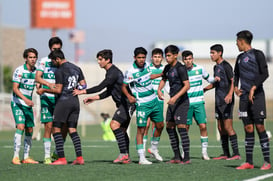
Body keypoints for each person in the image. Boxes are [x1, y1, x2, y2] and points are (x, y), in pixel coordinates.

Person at [73, 49, 135, 164]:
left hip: (127, 103)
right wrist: (94, 98)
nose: (98, 62)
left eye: (101, 59)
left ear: (108, 60)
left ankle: (123, 155)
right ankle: (126, 156)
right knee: (121, 130)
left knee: (114, 124)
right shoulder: (111, 72)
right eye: (98, 59)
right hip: (125, 104)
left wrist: (82, 92)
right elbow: (108, 92)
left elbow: (100, 87)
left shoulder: (113, 72)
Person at [37, 49, 86, 165]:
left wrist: (44, 89)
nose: (53, 64)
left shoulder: (59, 70)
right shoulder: (76, 68)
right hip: (75, 102)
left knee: (56, 128)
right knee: (72, 129)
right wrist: (76, 90)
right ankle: (79, 158)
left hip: (64, 101)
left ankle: (62, 159)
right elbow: (84, 84)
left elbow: (58, 90)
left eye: (53, 61)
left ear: (57, 59)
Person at [234, 30, 271, 170]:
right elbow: (236, 74)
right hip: (243, 98)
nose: (236, 43)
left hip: (257, 96)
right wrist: (236, 88)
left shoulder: (258, 54)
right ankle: (248, 162)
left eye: (237, 41)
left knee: (260, 127)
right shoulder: (239, 57)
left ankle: (267, 161)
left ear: (242, 41)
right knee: (247, 128)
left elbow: (265, 73)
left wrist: (254, 87)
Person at [122, 47, 164, 165]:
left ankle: (154, 148)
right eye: (139, 58)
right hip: (142, 104)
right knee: (141, 129)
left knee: (160, 125)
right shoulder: (130, 71)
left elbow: (148, 77)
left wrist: (160, 74)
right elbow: (124, 86)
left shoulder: (147, 66)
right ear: (134, 58)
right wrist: (129, 97)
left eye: (143, 57)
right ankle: (141, 157)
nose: (141, 60)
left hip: (154, 101)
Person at [204, 44, 240, 161]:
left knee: (228, 127)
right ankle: (226, 153)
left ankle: (236, 154)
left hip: (226, 100)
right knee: (220, 127)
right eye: (210, 53)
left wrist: (230, 94)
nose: (211, 55)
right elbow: (216, 83)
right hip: (218, 100)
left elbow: (233, 81)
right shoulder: (216, 67)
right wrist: (205, 89)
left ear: (219, 53)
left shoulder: (226, 65)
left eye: (213, 53)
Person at [158, 45, 190, 164]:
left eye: (169, 55)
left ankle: (186, 158)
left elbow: (187, 85)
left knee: (181, 127)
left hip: (181, 102)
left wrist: (176, 97)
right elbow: (163, 79)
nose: (167, 58)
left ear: (176, 55)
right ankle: (176, 157)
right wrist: (159, 89)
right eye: (166, 55)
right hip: (172, 102)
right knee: (170, 127)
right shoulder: (167, 68)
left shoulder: (181, 68)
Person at [182, 50, 215, 160]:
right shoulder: (180, 70)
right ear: (183, 60)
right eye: (186, 59)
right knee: (185, 128)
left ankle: (204, 152)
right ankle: (184, 152)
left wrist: (216, 79)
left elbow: (209, 79)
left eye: (190, 59)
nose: (188, 61)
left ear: (193, 59)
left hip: (199, 102)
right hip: (186, 104)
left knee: (203, 126)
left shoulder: (199, 69)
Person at [35, 36, 63, 164]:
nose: (55, 50)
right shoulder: (44, 61)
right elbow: (38, 77)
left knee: (61, 127)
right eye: (53, 48)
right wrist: (48, 84)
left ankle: (57, 153)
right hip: (46, 97)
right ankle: (47, 156)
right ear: (49, 48)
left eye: (58, 48)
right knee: (48, 126)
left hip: (59, 98)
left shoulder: (62, 62)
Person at [11, 48, 39, 165]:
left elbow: (38, 85)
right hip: (18, 103)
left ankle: (26, 157)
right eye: (30, 57)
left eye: (34, 57)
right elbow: (15, 88)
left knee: (30, 129)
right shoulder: (19, 70)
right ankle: (15, 157)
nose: (32, 60)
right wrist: (26, 99)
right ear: (26, 58)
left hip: (28, 105)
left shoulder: (36, 71)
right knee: (21, 127)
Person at [143, 48, 165, 156]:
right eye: (155, 57)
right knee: (145, 125)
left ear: (162, 58)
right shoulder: (147, 68)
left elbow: (167, 83)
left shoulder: (165, 69)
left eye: (159, 57)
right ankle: (142, 149)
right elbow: (146, 79)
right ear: (151, 58)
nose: (157, 59)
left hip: (159, 100)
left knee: (157, 125)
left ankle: (153, 148)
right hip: (147, 100)